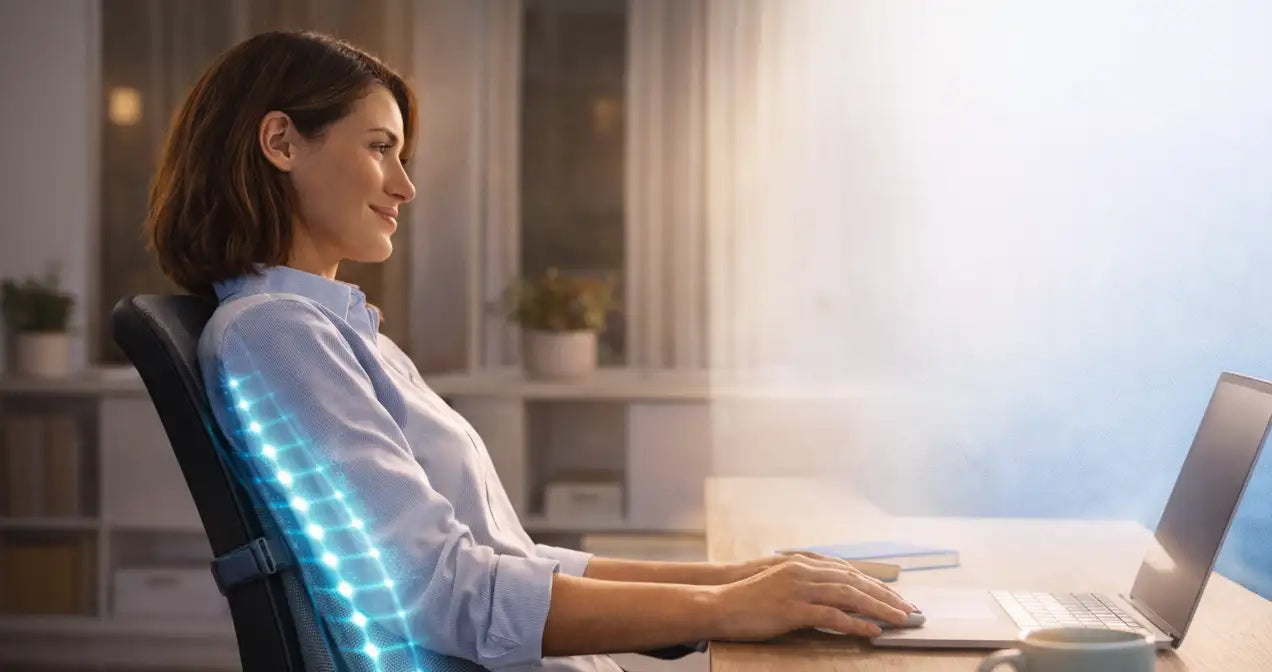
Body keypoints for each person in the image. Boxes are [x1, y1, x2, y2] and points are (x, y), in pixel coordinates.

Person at [145, 30, 916, 671]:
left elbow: (499, 555)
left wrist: (738, 580)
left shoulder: (331, 330)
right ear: (280, 141)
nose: (405, 186)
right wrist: (722, 607)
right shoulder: (275, 335)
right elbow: (442, 595)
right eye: (381, 148)